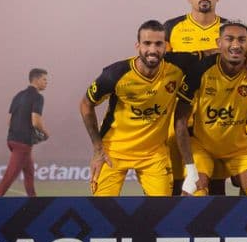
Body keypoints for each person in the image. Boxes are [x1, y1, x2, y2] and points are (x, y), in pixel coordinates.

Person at [80, 20, 198, 197]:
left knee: (162, 213)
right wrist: (97, 149)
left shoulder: (178, 65)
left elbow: (213, 54)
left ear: (166, 46)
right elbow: (86, 105)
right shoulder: (115, 74)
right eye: (147, 43)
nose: (153, 49)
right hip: (113, 152)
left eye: (158, 44)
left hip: (153, 155)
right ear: (137, 46)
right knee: (101, 212)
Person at [175, 22, 247, 196]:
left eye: (242, 40)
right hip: (202, 147)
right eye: (229, 39)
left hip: (238, 150)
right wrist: (191, 170)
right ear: (218, 43)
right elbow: (180, 120)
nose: (236, 45)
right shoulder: (200, 70)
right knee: (195, 193)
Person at [165, 0, 228, 195]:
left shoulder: (229, 29)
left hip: (215, 122)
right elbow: (162, 66)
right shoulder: (171, 28)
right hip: (179, 118)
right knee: (176, 185)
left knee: (214, 188)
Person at [0, 68, 50, 197]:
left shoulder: (18, 95)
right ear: (36, 79)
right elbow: (36, 121)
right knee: (8, 178)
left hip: (12, 140)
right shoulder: (38, 97)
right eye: (44, 79)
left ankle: (34, 203)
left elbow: (9, 121)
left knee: (29, 173)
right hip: (22, 144)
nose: (46, 82)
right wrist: (46, 133)